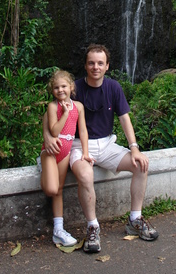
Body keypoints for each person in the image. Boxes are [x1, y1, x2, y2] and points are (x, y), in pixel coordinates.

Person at [42, 44, 158, 253]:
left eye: (100, 63)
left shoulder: (114, 88)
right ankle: (92, 227)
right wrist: (47, 136)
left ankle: (135, 219)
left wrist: (134, 148)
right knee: (86, 176)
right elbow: (52, 110)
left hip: (106, 144)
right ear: (86, 66)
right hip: (78, 146)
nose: (95, 67)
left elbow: (125, 119)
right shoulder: (74, 88)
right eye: (91, 63)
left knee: (141, 165)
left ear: (107, 66)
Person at [40, 69, 93, 247]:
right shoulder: (53, 107)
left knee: (60, 190)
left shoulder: (78, 107)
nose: (60, 90)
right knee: (52, 189)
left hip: (66, 151)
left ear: (71, 87)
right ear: (52, 90)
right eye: (56, 87)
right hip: (51, 152)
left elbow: (83, 130)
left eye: (64, 86)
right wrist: (64, 113)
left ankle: (58, 230)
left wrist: (85, 153)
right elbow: (54, 131)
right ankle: (44, 170)